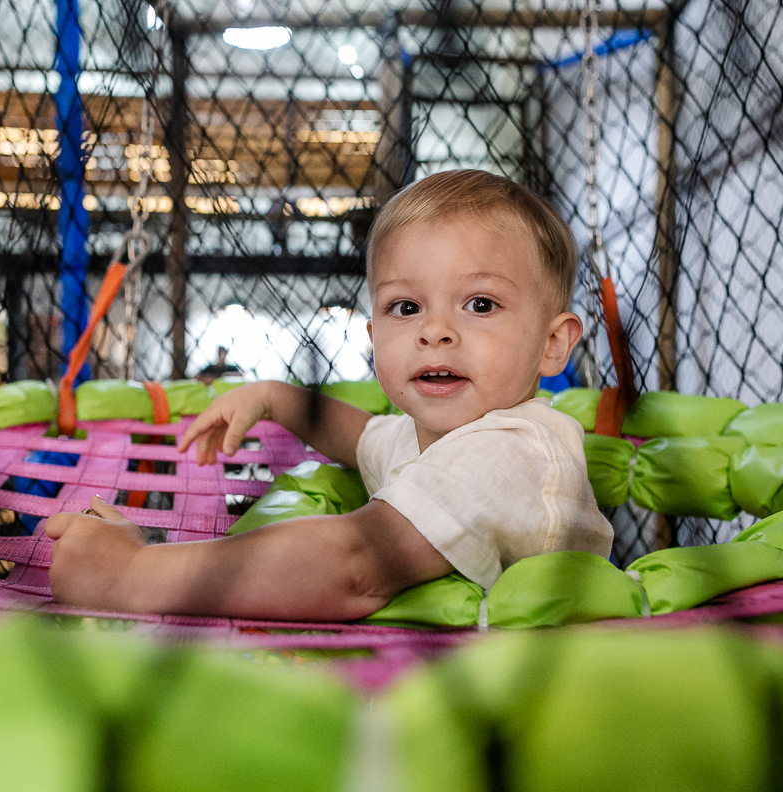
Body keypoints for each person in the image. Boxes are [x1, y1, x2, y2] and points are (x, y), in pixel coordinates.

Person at [45, 170, 613, 620]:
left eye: (480, 304)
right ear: (373, 337)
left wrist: (131, 574)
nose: (434, 330)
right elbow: (362, 436)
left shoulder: (511, 451)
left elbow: (353, 565)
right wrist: (272, 397)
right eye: (406, 307)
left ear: (552, 343)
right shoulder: (440, 437)